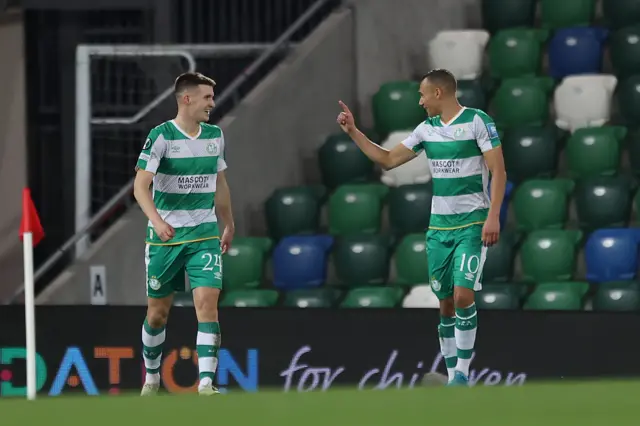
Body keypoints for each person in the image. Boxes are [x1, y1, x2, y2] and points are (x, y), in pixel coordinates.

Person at [336, 69, 506, 386]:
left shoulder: (477, 121)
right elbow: (386, 160)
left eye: (422, 94)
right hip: (438, 229)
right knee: (445, 301)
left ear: (438, 94)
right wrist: (354, 132)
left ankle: (460, 376)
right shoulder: (426, 130)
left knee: (463, 295)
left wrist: (493, 216)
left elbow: (499, 171)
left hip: (472, 223)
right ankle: (453, 371)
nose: (420, 100)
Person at [133, 72, 235, 396]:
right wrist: (157, 220)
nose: (212, 104)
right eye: (207, 97)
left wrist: (228, 223)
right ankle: (151, 378)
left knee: (207, 302)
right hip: (165, 238)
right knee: (157, 314)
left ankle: (206, 383)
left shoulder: (215, 136)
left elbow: (219, 184)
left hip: (204, 233)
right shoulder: (161, 136)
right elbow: (139, 186)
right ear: (187, 99)